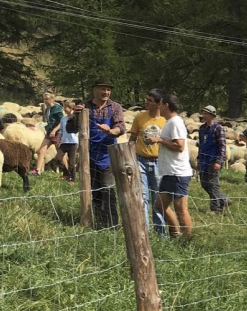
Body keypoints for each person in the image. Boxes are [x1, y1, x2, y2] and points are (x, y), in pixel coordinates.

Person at [73, 79, 124, 227]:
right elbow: (72, 128)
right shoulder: (85, 106)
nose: (106, 92)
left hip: (108, 154)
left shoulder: (115, 107)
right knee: (93, 189)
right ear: (94, 89)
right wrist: (75, 115)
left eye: (108, 89)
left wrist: (110, 131)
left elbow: (120, 127)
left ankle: (112, 223)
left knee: (108, 189)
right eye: (103, 89)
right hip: (88, 154)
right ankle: (97, 220)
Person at [156, 93, 194, 239]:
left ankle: (188, 240)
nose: (158, 107)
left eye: (160, 104)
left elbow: (180, 146)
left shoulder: (175, 122)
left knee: (181, 210)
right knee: (159, 206)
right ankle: (175, 234)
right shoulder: (170, 122)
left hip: (178, 172)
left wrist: (159, 140)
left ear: (165, 105)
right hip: (169, 172)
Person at [130, 89, 167, 234]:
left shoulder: (165, 120)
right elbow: (133, 137)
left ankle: (160, 231)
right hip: (141, 160)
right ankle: (144, 232)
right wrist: (130, 154)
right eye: (146, 99)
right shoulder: (140, 117)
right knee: (142, 196)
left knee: (158, 198)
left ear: (159, 104)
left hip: (159, 162)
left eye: (150, 100)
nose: (146, 102)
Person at [196, 105, 230, 213]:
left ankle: (215, 208)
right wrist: (198, 158)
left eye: (206, 114)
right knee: (204, 183)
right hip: (204, 159)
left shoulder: (218, 128)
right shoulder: (202, 128)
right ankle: (224, 200)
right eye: (203, 113)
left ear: (212, 115)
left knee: (213, 183)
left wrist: (219, 161)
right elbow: (201, 144)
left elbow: (222, 146)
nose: (204, 115)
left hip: (213, 160)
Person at [33, 92, 64, 176]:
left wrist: (54, 130)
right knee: (41, 151)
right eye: (44, 99)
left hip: (57, 133)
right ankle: (38, 170)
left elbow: (62, 121)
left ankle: (68, 172)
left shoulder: (57, 108)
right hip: (49, 133)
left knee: (61, 153)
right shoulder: (47, 109)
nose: (45, 101)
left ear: (52, 99)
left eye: (47, 99)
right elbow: (48, 121)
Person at [58, 99, 79, 182]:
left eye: (66, 107)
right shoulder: (63, 119)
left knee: (71, 162)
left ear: (71, 108)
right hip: (64, 142)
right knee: (58, 158)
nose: (64, 109)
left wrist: (73, 116)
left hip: (73, 142)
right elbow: (61, 130)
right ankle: (66, 173)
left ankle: (72, 179)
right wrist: (58, 138)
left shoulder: (76, 118)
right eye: (64, 107)